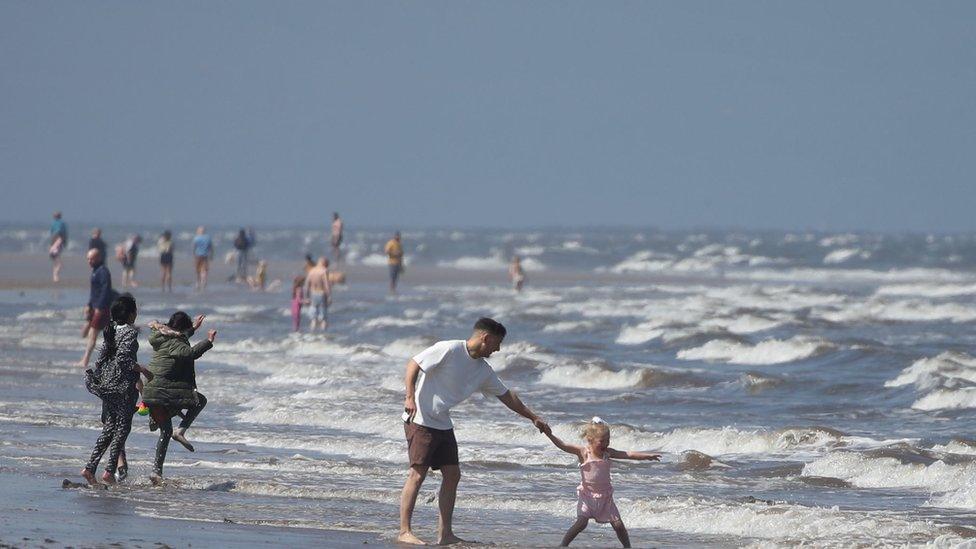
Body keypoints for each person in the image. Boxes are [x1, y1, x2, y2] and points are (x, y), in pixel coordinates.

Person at [398, 318, 549, 545]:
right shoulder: (448, 349)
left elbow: (508, 396)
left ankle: (445, 534)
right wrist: (409, 396)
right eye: (497, 344)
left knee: (453, 474)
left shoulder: (483, 371)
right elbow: (414, 364)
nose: (497, 349)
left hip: (442, 423)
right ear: (485, 338)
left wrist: (533, 417)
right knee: (418, 474)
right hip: (420, 418)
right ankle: (404, 531)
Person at [543, 417, 660, 548]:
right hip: (587, 496)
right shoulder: (583, 452)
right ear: (590, 440)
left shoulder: (608, 453)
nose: (606, 444)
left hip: (605, 497)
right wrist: (549, 434)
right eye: (602, 441)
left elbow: (628, 454)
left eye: (608, 440)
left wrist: (647, 456)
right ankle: (563, 544)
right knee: (581, 523)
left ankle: (627, 547)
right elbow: (563, 445)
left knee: (618, 525)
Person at [81, 294, 154, 485]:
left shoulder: (111, 329)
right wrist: (142, 369)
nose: (136, 313)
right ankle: (108, 472)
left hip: (108, 384)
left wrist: (103, 378)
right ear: (130, 314)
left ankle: (90, 468)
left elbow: (102, 358)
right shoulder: (129, 333)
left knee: (110, 428)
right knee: (122, 428)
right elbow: (123, 359)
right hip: (122, 388)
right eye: (135, 310)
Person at [142, 311, 216, 485]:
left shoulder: (162, 336)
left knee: (165, 431)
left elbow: (178, 338)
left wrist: (193, 329)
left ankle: (156, 472)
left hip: (150, 390)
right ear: (182, 328)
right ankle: (180, 430)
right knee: (200, 400)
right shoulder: (177, 341)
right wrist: (208, 342)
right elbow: (188, 352)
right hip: (163, 391)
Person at [79, 249, 114, 368]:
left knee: (92, 333)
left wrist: (99, 307)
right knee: (84, 332)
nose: (89, 261)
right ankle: (89, 358)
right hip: (94, 306)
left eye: (91, 259)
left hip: (102, 308)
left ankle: (85, 361)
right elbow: (94, 291)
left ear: (98, 258)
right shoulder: (95, 271)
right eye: (88, 259)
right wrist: (89, 304)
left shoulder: (103, 271)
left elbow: (106, 290)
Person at [303, 257, 332, 331]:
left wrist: (306, 297)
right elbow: (326, 284)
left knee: (313, 318)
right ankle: (324, 335)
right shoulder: (324, 271)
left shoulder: (312, 271)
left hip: (313, 294)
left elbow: (306, 285)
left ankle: (312, 334)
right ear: (324, 263)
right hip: (322, 294)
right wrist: (329, 296)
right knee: (323, 317)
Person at [192, 226, 213, 291]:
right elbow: (210, 247)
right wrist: (212, 254)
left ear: (199, 231)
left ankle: (198, 281)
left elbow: (194, 247)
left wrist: (193, 254)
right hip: (205, 255)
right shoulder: (208, 238)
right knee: (205, 269)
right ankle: (204, 281)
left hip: (198, 255)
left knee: (198, 269)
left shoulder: (196, 238)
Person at [49, 211, 68, 282]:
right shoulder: (62, 223)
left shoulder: (54, 223)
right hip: (58, 240)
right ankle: (55, 276)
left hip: (55, 241)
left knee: (56, 261)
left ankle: (55, 276)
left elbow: (51, 232)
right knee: (58, 262)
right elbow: (65, 232)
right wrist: (65, 241)